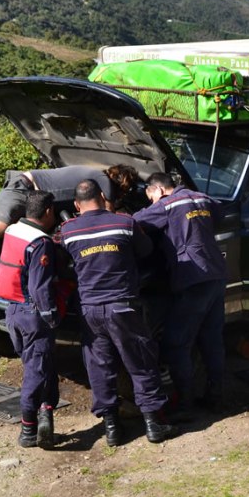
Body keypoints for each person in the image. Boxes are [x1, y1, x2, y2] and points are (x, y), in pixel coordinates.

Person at [60, 179, 176, 446]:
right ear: (102, 197)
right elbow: (146, 251)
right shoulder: (124, 222)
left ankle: (111, 428)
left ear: (76, 205)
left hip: (90, 310)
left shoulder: (68, 230)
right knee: (140, 361)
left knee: (100, 367)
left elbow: (65, 262)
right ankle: (154, 425)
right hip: (122, 306)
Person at [0, 164, 139, 290]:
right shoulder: (103, 180)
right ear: (123, 183)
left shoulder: (94, 174)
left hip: (31, 192)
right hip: (24, 190)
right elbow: (107, 217)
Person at [133, 173, 227, 416]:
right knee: (212, 340)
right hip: (216, 274)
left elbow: (133, 223)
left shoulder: (167, 204)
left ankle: (184, 405)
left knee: (176, 343)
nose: (152, 202)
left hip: (193, 278)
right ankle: (217, 397)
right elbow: (221, 214)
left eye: (151, 197)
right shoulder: (202, 197)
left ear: (158, 190)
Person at [0, 190, 63, 450]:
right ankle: (28, 429)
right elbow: (39, 287)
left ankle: (46, 412)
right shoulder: (40, 243)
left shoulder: (12, 230)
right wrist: (51, 316)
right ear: (48, 211)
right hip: (33, 314)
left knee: (41, 365)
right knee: (36, 372)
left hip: (12, 311)